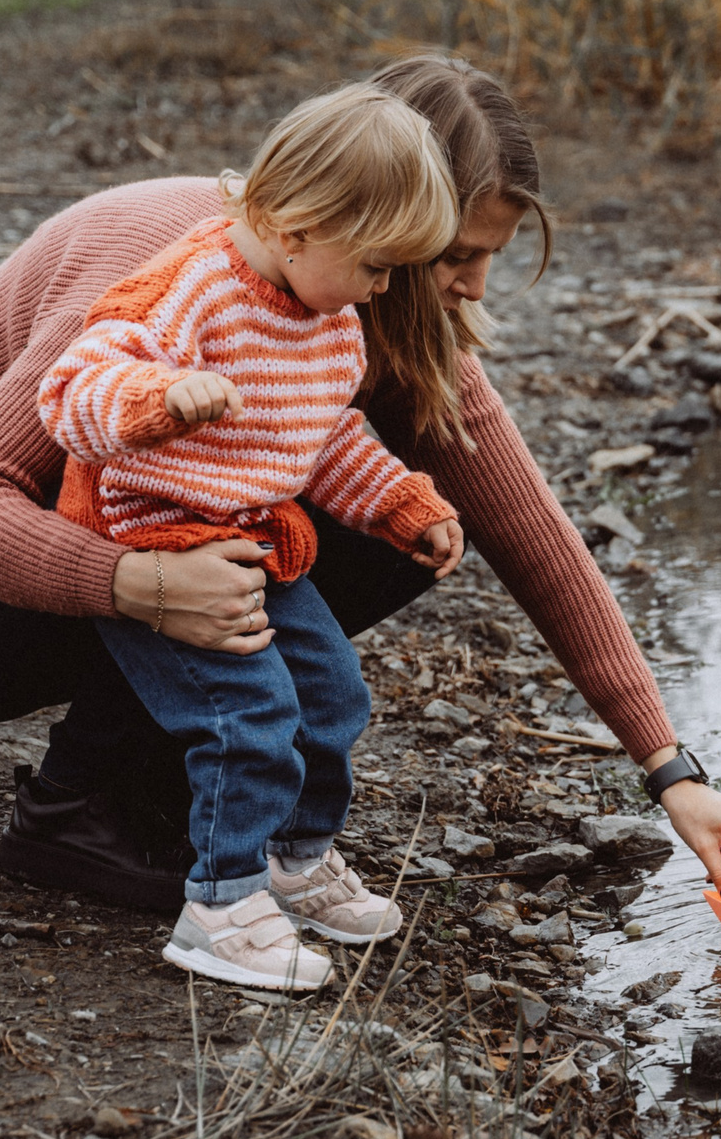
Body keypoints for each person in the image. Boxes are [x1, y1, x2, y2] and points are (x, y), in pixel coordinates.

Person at [0, 53, 721, 911]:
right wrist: (146, 586)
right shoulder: (175, 270)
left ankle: (168, 779)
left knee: (406, 514)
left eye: (491, 254)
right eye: (457, 255)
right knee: (277, 501)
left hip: (75, 560)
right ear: (372, 211)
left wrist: (671, 773)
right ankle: (77, 809)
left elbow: (534, 538)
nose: (479, 286)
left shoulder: (346, 302)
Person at [38, 84, 464, 988]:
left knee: (334, 691)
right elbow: (72, 395)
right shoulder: (192, 287)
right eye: (378, 264)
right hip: (154, 537)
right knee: (249, 714)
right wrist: (161, 398)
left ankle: (294, 859)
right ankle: (221, 905)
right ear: (299, 228)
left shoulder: (332, 324)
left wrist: (400, 502)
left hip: (256, 540)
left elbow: (323, 437)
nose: (386, 287)